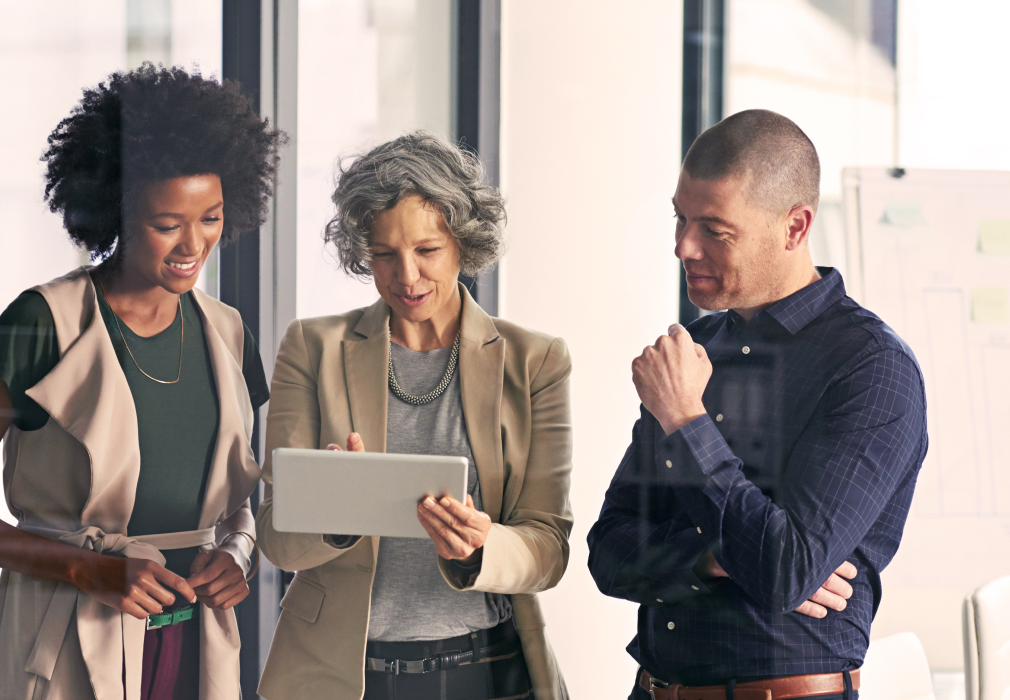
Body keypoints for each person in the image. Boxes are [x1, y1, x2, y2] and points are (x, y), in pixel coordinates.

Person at [0, 65, 283, 700]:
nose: (193, 244)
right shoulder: (41, 323)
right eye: (167, 223)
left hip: (195, 640)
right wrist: (89, 569)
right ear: (115, 209)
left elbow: (241, 496)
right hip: (66, 628)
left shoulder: (229, 333)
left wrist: (238, 554)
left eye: (212, 217)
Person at [587, 109, 928, 700]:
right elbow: (609, 550)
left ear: (795, 227)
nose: (682, 246)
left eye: (714, 229)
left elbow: (784, 569)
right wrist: (714, 556)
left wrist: (686, 421)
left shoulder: (871, 368)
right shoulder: (694, 355)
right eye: (680, 218)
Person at [255, 132, 572, 700]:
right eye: (383, 254)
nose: (406, 276)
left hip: (485, 671)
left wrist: (483, 547)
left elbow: (549, 548)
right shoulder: (312, 347)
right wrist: (335, 509)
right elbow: (276, 540)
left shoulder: (535, 360)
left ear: (462, 243)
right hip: (341, 675)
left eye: (427, 251)